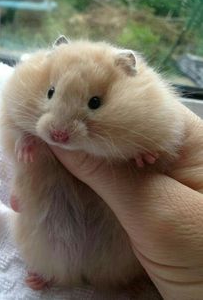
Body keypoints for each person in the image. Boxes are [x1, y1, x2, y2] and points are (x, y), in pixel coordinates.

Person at [12, 105, 203, 300]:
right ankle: (48, 272)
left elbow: (162, 137)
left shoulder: (145, 113)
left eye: (94, 102)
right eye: (51, 93)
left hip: (114, 252)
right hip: (56, 241)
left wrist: (141, 149)